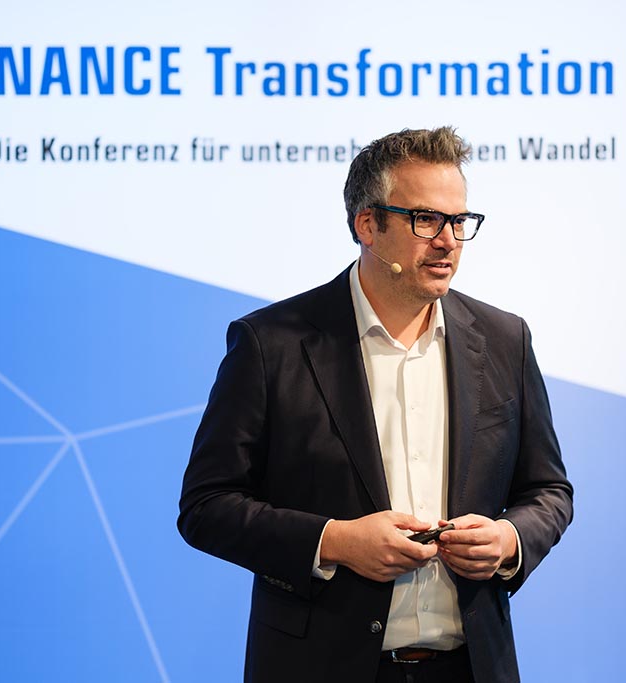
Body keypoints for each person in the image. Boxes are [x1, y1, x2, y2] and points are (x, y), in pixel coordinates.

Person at [178, 127, 573, 683]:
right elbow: (207, 506)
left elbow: (548, 490)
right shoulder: (271, 344)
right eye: (426, 220)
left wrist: (509, 540)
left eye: (459, 221)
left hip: (470, 668)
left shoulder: (505, 339)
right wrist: (335, 542)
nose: (448, 241)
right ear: (368, 225)